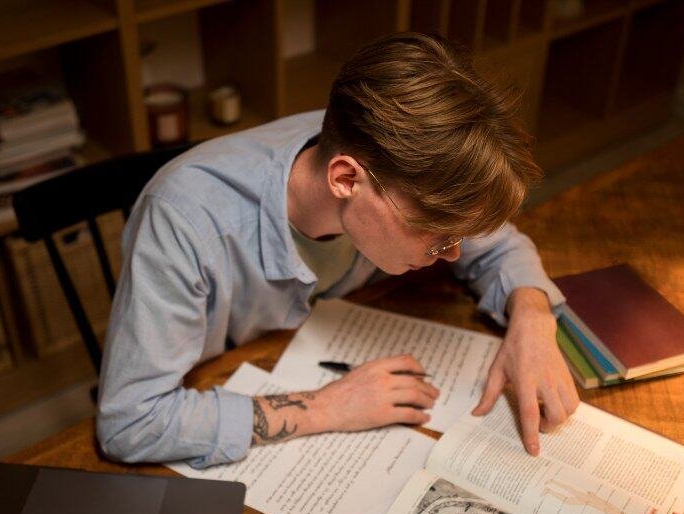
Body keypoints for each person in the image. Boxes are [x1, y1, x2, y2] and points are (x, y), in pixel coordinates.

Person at [97, 32, 578, 469]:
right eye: (438, 237)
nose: (454, 253)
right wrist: (329, 407)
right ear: (346, 179)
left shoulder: (392, 153)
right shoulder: (184, 220)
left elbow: (496, 243)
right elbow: (130, 423)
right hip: (231, 383)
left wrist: (533, 317)